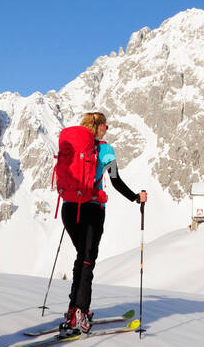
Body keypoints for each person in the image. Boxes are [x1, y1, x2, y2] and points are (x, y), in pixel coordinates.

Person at [60, 112, 146, 335]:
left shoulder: (73, 146)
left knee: (81, 257)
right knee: (88, 261)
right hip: (92, 209)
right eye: (106, 126)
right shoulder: (105, 150)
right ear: (98, 127)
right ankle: (80, 312)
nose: (107, 129)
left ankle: (73, 309)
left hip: (69, 208)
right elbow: (115, 180)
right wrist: (135, 197)